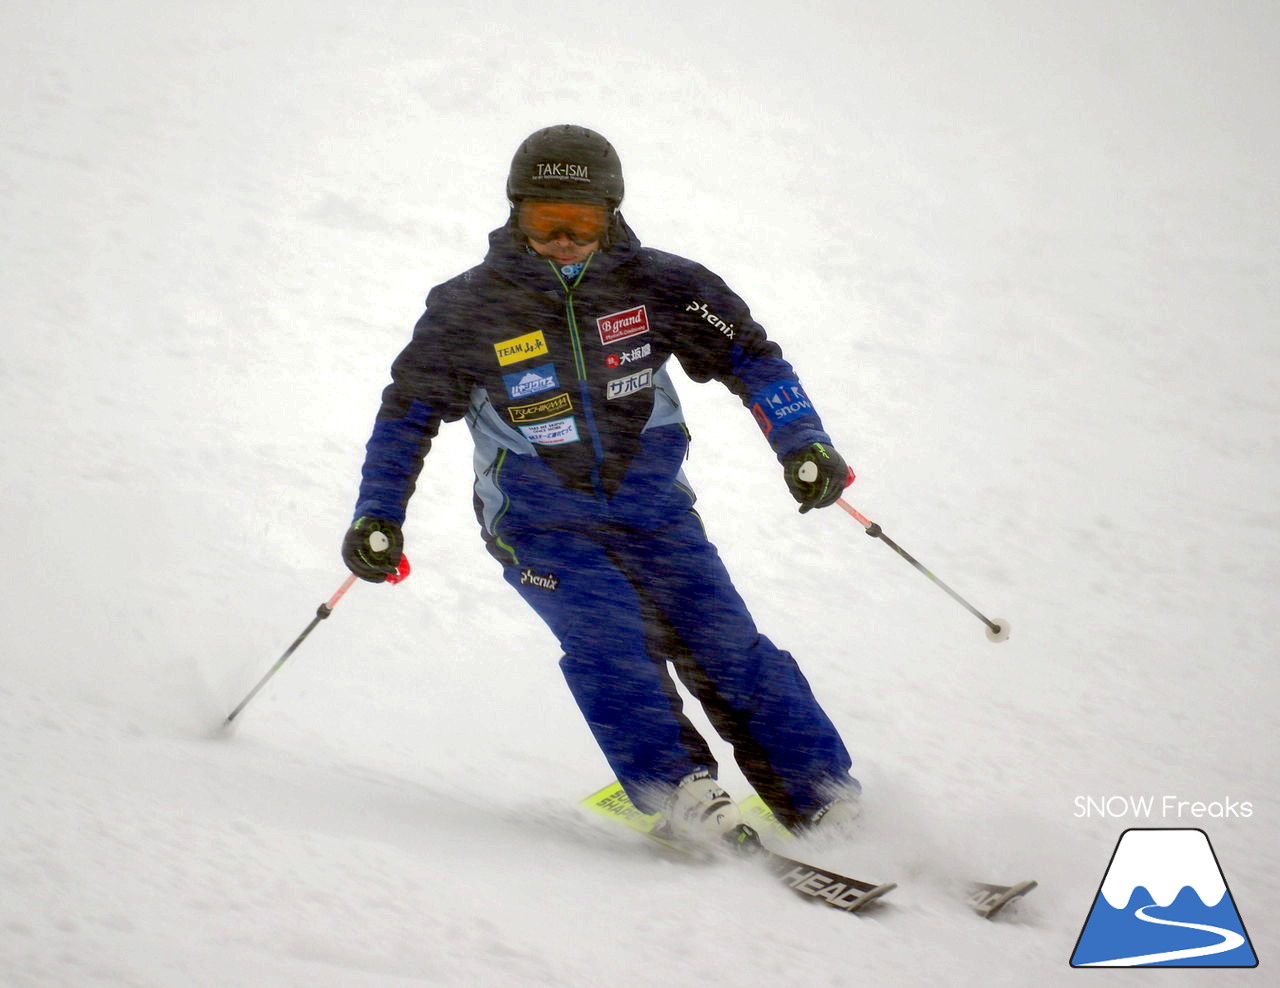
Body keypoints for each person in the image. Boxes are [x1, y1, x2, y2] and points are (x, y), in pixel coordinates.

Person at [343, 124, 861, 846]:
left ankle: (823, 797)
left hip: (655, 513)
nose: (562, 239)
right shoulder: (467, 308)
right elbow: (407, 415)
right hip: (538, 523)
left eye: (580, 222)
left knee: (727, 644)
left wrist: (803, 441)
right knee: (611, 640)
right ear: (515, 213)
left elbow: (754, 359)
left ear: (612, 214)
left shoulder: (665, 285)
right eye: (543, 221)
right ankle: (678, 792)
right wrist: (378, 514)